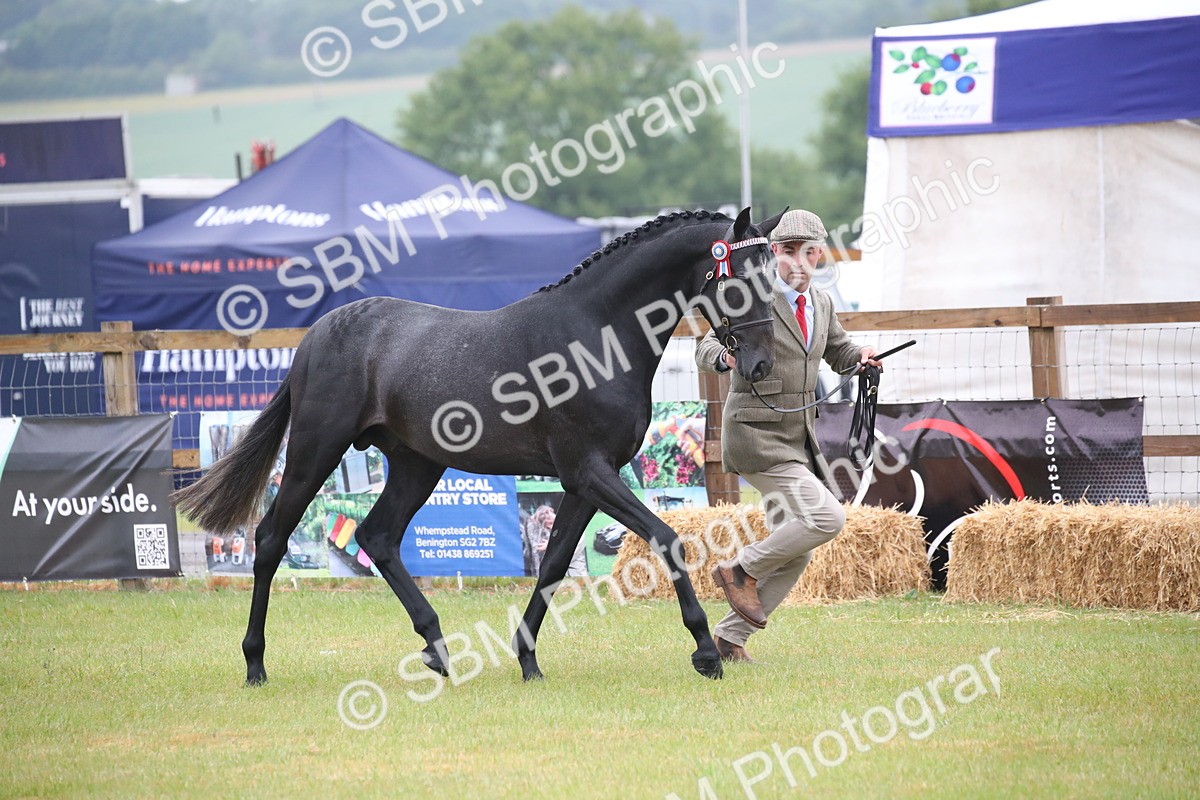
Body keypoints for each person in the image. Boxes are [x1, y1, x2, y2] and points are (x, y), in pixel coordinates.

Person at [695, 208, 881, 663]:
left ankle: (729, 640)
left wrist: (862, 355)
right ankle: (739, 569)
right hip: (755, 435)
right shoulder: (749, 296)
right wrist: (726, 358)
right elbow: (704, 346)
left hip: (797, 440)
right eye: (788, 251)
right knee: (827, 519)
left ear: (820, 255)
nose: (798, 262)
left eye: (809, 252)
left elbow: (838, 351)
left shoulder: (821, 303)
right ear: (773, 252)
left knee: (796, 550)